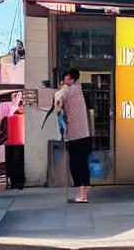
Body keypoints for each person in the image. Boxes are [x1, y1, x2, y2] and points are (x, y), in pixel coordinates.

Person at [54, 69, 91, 202]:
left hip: (74, 135)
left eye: (67, 78)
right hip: (85, 133)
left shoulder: (67, 90)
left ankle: (81, 193)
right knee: (83, 164)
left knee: (75, 165)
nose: (66, 80)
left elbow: (58, 100)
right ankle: (84, 192)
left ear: (72, 80)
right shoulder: (78, 88)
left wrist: (59, 89)